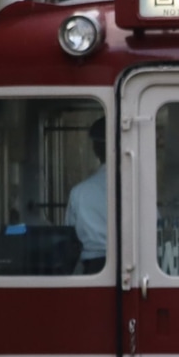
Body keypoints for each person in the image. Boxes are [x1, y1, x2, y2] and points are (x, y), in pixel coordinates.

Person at [65, 117, 107, 274]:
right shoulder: (139, 189)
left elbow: (69, 236)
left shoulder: (79, 192)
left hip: (93, 270)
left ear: (95, 149)